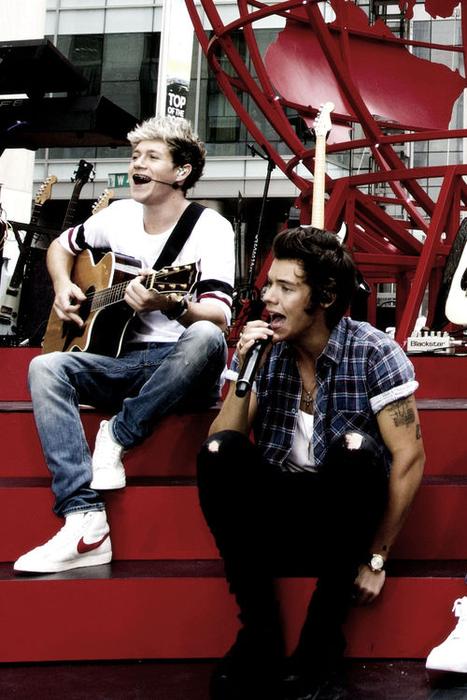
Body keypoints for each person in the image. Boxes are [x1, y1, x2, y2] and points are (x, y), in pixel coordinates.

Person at [197, 226, 425, 699]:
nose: (269, 299)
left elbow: (410, 457)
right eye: (269, 285)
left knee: (357, 451)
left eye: (285, 288)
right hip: (277, 518)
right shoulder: (264, 352)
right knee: (218, 453)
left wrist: (377, 557)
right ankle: (259, 635)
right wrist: (247, 368)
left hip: (343, 525)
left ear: (323, 297)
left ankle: (321, 645)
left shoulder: (373, 351)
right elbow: (223, 440)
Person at [14, 115, 234, 574]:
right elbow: (61, 247)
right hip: (121, 362)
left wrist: (172, 305)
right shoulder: (117, 216)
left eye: (152, 157)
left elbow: (218, 315)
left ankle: (118, 434)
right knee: (44, 367)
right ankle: (84, 518)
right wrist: (63, 286)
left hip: (179, 369)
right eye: (135, 156)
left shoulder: (211, 227)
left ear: (182, 171)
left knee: (206, 337)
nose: (137, 165)